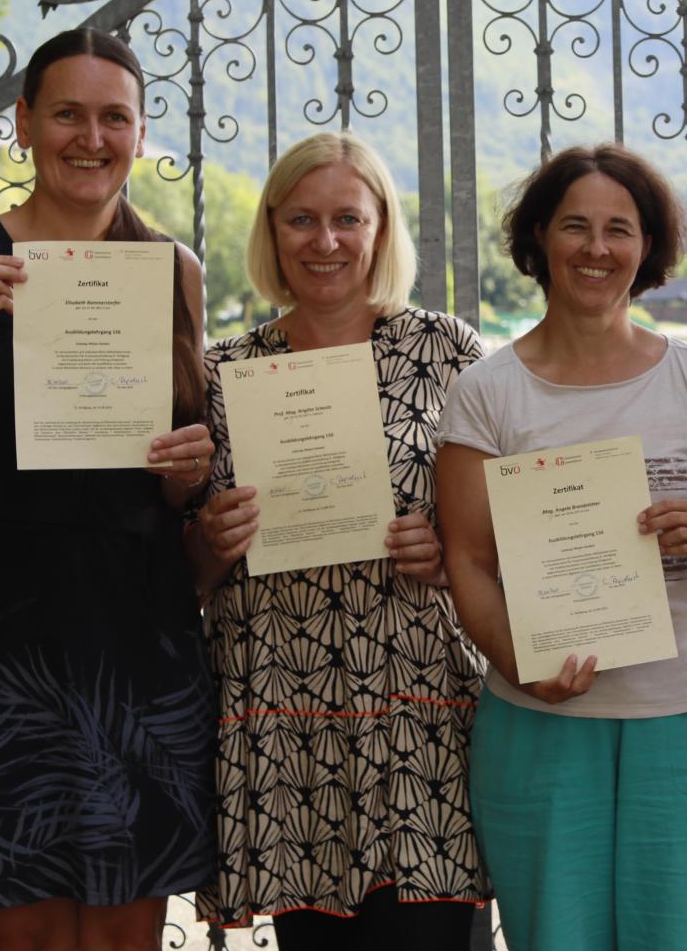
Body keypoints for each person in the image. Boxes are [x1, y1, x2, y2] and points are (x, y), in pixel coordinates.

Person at [0, 28, 216, 949]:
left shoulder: (175, 269)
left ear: (141, 135)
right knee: (23, 926)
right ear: (25, 125)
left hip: (134, 631)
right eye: (67, 114)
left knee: (124, 926)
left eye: (114, 117)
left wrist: (188, 477)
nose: (91, 137)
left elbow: (185, 485)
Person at [437, 143, 687, 951]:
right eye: (575, 226)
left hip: (683, 718)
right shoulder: (488, 392)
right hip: (540, 721)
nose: (597, 248)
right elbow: (468, 560)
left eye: (620, 229)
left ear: (647, 247)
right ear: (540, 236)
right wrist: (520, 662)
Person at [188, 131, 491, 948]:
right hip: (287, 715)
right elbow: (185, 574)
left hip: (420, 713)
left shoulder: (446, 350)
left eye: (347, 219)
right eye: (301, 220)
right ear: (272, 230)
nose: (324, 242)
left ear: (382, 228)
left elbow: (498, 536)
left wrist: (446, 552)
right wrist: (213, 542)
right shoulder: (221, 371)